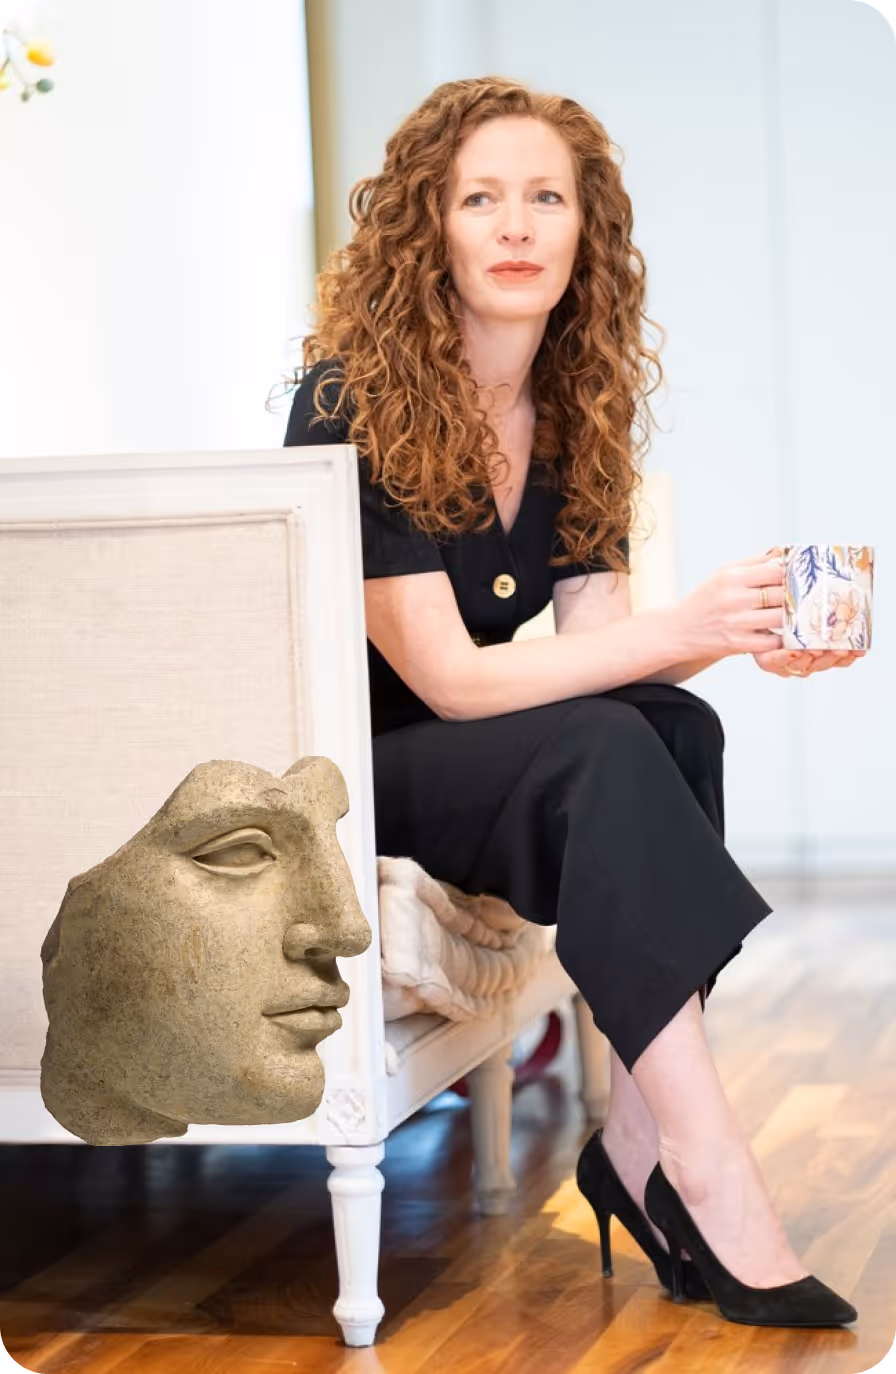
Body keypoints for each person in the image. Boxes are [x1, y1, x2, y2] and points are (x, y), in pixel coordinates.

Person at [281, 76, 861, 1327]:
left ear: (585, 230)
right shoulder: (353, 399)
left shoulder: (577, 405)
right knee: (609, 740)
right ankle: (712, 1173)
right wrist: (682, 624)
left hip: (481, 749)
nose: (515, 224)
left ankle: (639, 1146)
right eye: (479, 197)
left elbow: (602, 650)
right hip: (363, 759)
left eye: (546, 197)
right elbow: (443, 678)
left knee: (668, 724)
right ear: (425, 228)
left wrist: (734, 638)